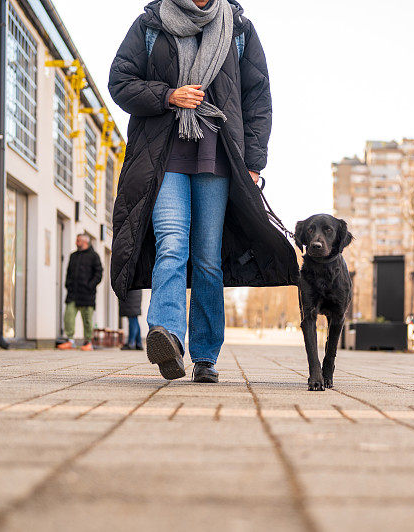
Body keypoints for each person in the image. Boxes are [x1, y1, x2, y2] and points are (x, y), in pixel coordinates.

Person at [108, 0, 299, 383]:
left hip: (219, 156)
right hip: (163, 157)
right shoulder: (151, 24)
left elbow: (257, 97)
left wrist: (254, 161)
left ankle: (206, 356)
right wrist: (168, 96)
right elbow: (120, 82)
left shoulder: (239, 29)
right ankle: (167, 336)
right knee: (172, 242)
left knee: (208, 257)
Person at [57, 234, 103, 351]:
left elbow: (99, 274)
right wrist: (68, 285)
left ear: (84, 242)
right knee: (68, 316)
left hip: (87, 294)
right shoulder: (73, 256)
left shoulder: (94, 256)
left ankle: (88, 342)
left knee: (87, 319)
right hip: (73, 293)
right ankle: (70, 341)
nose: (76, 242)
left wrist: (90, 286)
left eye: (78, 240)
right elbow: (68, 273)